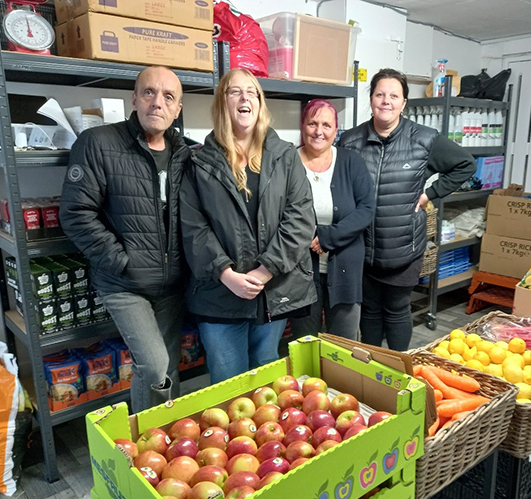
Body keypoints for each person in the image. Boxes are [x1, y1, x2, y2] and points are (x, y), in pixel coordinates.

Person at [60, 66, 188, 413]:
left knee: (167, 364)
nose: (157, 103)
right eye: (148, 93)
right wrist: (121, 261)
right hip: (125, 284)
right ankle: (148, 441)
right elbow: (75, 213)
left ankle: (167, 441)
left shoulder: (185, 153)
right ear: (134, 99)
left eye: (167, 97)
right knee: (155, 366)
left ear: (177, 109)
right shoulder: (99, 143)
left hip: (172, 284)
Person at [180, 68, 317, 384]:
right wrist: (226, 274)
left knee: (266, 373)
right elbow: (193, 228)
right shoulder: (198, 162)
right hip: (218, 293)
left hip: (272, 289)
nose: (244, 98)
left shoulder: (284, 156)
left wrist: (265, 270)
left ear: (260, 102)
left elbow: (300, 217)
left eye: (252, 92)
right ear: (222, 103)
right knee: (228, 382)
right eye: (234, 92)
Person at [339, 68, 476, 351]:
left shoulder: (424, 139)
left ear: (404, 103)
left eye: (393, 95)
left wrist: (430, 194)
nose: (386, 101)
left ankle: (399, 368)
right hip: (362, 247)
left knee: (398, 308)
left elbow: (465, 165)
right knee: (370, 310)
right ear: (371, 98)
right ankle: (372, 368)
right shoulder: (350, 141)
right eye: (380, 94)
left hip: (404, 247)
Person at [289, 100, 374, 341]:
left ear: (336, 130)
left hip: (345, 270)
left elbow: (366, 209)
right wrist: (306, 235)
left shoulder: (350, 161)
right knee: (305, 343)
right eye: (312, 123)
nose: (319, 131)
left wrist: (328, 237)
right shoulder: (288, 162)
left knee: (344, 346)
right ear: (302, 126)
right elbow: (277, 211)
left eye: (326, 125)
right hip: (301, 271)